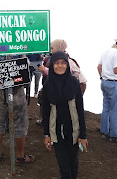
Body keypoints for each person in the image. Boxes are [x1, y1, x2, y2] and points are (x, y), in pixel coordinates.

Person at [43, 51, 88, 179]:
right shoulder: (48, 85)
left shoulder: (74, 83)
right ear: (52, 66)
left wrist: (83, 135)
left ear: (68, 65)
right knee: (64, 168)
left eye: (63, 63)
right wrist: (46, 134)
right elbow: (45, 112)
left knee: (74, 165)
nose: (60, 66)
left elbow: (80, 109)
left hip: (74, 130)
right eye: (56, 63)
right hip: (56, 131)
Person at [0, 55, 35, 164]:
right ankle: (20, 156)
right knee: (19, 123)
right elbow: (26, 63)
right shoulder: (18, 45)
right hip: (15, 87)